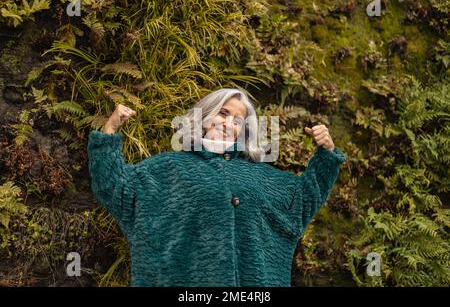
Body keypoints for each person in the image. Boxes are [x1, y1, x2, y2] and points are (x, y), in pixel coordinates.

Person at [87, 88, 346, 286]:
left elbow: (302, 201)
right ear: (205, 115)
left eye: (238, 121)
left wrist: (327, 153)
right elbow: (116, 190)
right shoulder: (169, 167)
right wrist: (109, 131)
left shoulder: (260, 176)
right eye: (223, 113)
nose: (229, 124)